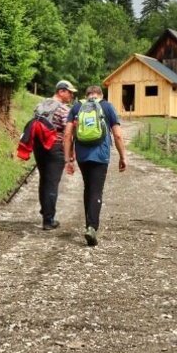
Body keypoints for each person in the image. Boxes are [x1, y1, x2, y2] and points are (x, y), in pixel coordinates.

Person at [63, 85, 127, 246]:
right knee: (96, 189)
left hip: (83, 155)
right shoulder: (107, 106)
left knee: (88, 187)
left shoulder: (77, 106)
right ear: (101, 95)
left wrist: (68, 158)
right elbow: (118, 135)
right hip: (101, 155)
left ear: (87, 95)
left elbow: (67, 134)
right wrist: (123, 156)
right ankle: (92, 227)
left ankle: (89, 224)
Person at [33, 80, 77, 230]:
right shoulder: (65, 110)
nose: (72, 95)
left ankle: (46, 210)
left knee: (44, 179)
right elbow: (67, 134)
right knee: (52, 182)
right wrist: (70, 155)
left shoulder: (40, 105)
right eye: (70, 92)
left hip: (38, 146)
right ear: (61, 91)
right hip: (55, 147)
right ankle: (48, 220)